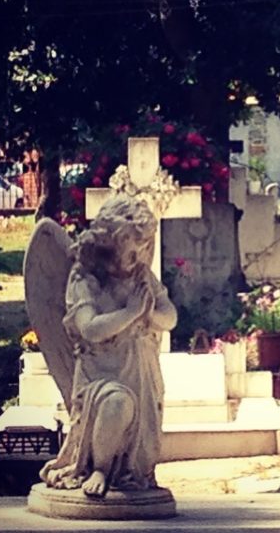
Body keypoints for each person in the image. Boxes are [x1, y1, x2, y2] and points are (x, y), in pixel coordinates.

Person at [40, 196, 177, 497]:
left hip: (141, 372)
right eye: (133, 247)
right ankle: (99, 467)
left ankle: (132, 474)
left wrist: (149, 313)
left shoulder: (142, 277)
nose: (140, 254)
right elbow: (90, 328)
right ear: (111, 242)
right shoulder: (85, 279)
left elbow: (170, 317)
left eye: (145, 247)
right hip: (101, 376)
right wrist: (130, 314)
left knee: (144, 446)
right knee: (116, 405)